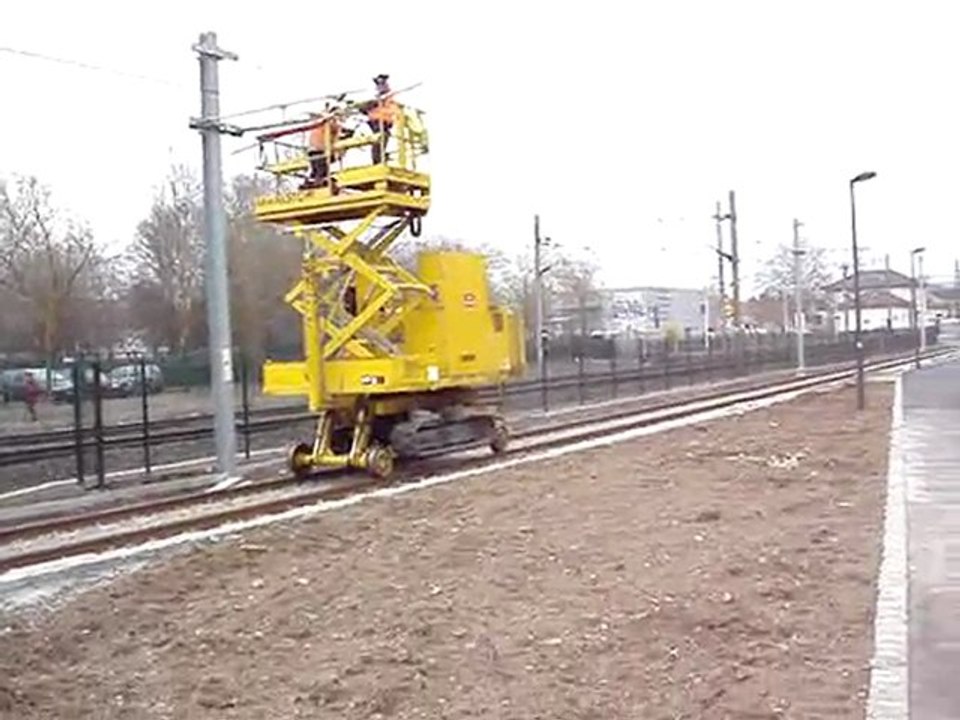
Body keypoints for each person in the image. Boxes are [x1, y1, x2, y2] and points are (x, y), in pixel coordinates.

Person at [305, 105, 345, 189]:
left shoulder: (322, 123)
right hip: (320, 149)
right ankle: (318, 185)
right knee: (321, 170)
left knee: (317, 170)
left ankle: (311, 183)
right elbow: (334, 128)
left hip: (316, 149)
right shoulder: (329, 123)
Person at [365, 74, 399, 165]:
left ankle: (379, 159)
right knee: (379, 140)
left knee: (381, 139)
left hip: (383, 120)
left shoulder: (387, 95)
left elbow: (390, 106)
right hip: (378, 120)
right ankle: (378, 160)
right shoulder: (379, 96)